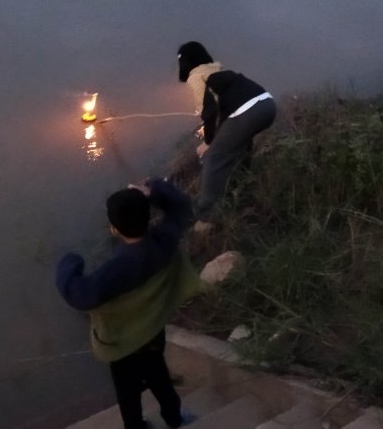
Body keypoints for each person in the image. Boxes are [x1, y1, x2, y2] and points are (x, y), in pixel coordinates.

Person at [56, 180, 199, 429]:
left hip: (121, 346)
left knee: (127, 391)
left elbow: (79, 295)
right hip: (152, 331)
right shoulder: (164, 241)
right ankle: (175, 419)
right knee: (160, 377)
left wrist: (70, 263)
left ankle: (136, 426)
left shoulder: (115, 270)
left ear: (114, 229)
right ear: (149, 216)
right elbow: (181, 208)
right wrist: (153, 190)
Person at [197, 66, 276, 218]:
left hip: (247, 111)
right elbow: (227, 123)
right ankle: (241, 192)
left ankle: (207, 217)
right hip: (268, 106)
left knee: (213, 157)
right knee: (241, 147)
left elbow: (209, 114)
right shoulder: (235, 81)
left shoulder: (210, 83)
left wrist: (208, 142)